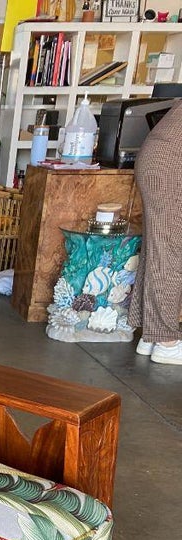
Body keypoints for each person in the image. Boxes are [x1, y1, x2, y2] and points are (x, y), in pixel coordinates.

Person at [129, 99, 182, 365]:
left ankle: (149, 336)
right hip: (169, 168)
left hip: (158, 163)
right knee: (170, 250)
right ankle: (166, 341)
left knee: (157, 247)